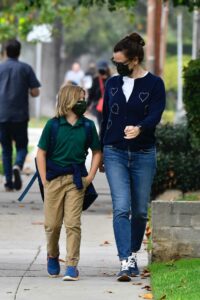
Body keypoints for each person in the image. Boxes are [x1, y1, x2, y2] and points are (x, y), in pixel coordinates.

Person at [100, 32, 166, 282]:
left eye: (121, 63)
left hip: (143, 153)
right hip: (114, 150)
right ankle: (125, 260)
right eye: (114, 61)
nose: (117, 66)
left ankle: (133, 250)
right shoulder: (113, 84)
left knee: (139, 211)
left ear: (135, 60)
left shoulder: (154, 84)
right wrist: (100, 151)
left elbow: (155, 115)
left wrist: (140, 127)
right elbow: (105, 118)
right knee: (121, 208)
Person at [36, 84, 101, 281]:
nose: (84, 102)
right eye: (80, 99)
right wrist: (45, 179)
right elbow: (41, 153)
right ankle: (53, 255)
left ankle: (72, 265)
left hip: (76, 180)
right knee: (52, 225)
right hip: (54, 180)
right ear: (69, 100)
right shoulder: (53, 125)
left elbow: (97, 152)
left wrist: (90, 177)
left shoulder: (88, 126)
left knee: (73, 223)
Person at [0, 39, 41, 191]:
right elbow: (36, 92)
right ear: (19, 52)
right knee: (22, 146)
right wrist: (29, 91)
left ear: (5, 52)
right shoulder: (25, 68)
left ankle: (8, 182)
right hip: (20, 115)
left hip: (2, 115)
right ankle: (18, 164)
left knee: (5, 148)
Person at [87, 60, 111, 128]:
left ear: (107, 68)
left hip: (110, 106)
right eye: (100, 68)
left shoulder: (111, 79)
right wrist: (87, 105)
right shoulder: (96, 80)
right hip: (99, 106)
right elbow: (91, 94)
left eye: (103, 68)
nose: (102, 70)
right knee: (101, 124)